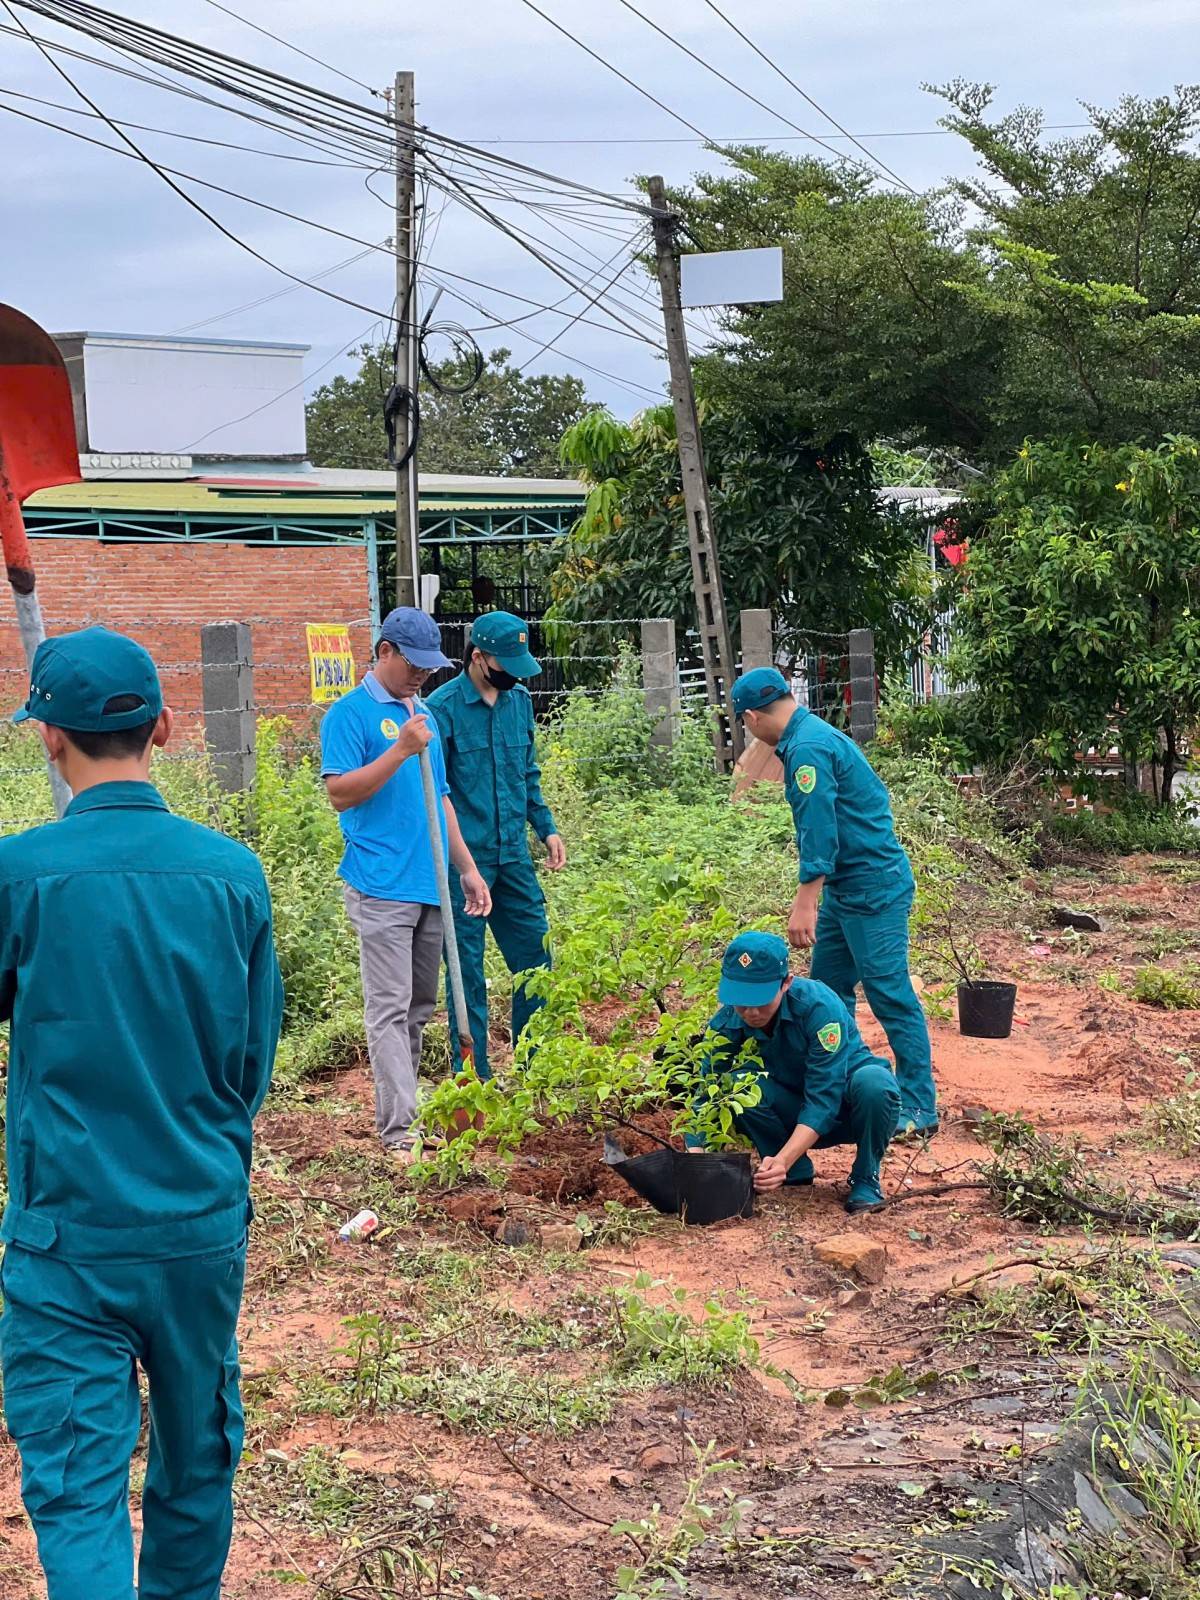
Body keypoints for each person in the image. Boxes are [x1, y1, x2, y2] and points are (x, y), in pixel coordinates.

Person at [0, 625, 284, 1600]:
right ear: (164, 725)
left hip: (66, 1238)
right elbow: (250, 1064)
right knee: (196, 1458)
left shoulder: (22, 873)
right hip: (197, 1228)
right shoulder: (233, 874)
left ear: (47, 737)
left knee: (79, 1487)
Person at [731, 667, 938, 1135]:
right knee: (828, 990)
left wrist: (806, 902)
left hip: (872, 889)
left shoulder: (807, 749)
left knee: (889, 995)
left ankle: (920, 1107)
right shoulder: (813, 735)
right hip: (848, 889)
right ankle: (844, 1085)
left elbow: (819, 831)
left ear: (749, 717)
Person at [320, 606, 491, 1156]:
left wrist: (464, 867)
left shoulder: (424, 716)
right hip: (381, 884)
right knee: (389, 1009)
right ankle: (400, 1134)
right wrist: (399, 749)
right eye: (411, 663)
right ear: (385, 651)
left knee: (419, 1007)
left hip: (431, 883)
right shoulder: (349, 715)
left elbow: (440, 798)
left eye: (429, 666)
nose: (421, 675)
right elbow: (340, 793)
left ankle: (408, 1118)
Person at [426, 611, 565, 1078]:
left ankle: (534, 1071)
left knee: (535, 962)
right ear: (478, 657)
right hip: (464, 864)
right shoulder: (441, 709)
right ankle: (473, 1081)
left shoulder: (519, 702)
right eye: (503, 664)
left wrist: (545, 827)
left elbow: (526, 773)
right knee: (466, 975)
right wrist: (463, 865)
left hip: (514, 861)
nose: (511, 674)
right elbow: (435, 794)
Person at [688, 932, 900, 1213]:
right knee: (734, 1087)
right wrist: (695, 1159)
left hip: (847, 1110)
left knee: (875, 1084)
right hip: (791, 1104)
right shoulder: (727, 1022)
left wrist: (782, 1160)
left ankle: (865, 1177)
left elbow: (824, 1097)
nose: (750, 1011)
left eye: (760, 999)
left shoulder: (819, 1008)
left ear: (786, 983)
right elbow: (707, 1092)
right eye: (741, 1000)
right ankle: (792, 1170)